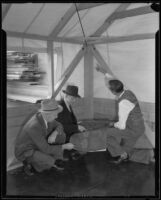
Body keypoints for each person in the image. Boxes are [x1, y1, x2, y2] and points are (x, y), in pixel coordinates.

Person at [14, 99, 75, 175]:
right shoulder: (34, 126)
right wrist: (64, 146)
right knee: (48, 162)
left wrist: (54, 133)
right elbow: (46, 149)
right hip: (27, 150)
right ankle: (30, 165)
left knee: (61, 134)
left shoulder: (45, 118)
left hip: (38, 144)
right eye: (55, 114)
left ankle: (57, 160)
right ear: (47, 114)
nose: (56, 116)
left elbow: (59, 125)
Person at [104, 73, 145, 164]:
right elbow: (116, 80)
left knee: (105, 134)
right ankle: (124, 155)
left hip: (132, 129)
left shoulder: (123, 103)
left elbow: (121, 126)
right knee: (127, 146)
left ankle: (121, 153)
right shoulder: (128, 92)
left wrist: (113, 124)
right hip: (139, 126)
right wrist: (104, 73)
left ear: (113, 92)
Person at [56, 84, 86, 160]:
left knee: (85, 133)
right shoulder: (60, 107)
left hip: (68, 131)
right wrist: (77, 127)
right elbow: (61, 126)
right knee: (83, 137)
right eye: (73, 98)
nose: (74, 100)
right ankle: (66, 153)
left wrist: (77, 124)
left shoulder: (68, 104)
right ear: (66, 96)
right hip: (59, 134)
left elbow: (71, 119)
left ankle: (74, 151)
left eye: (75, 98)